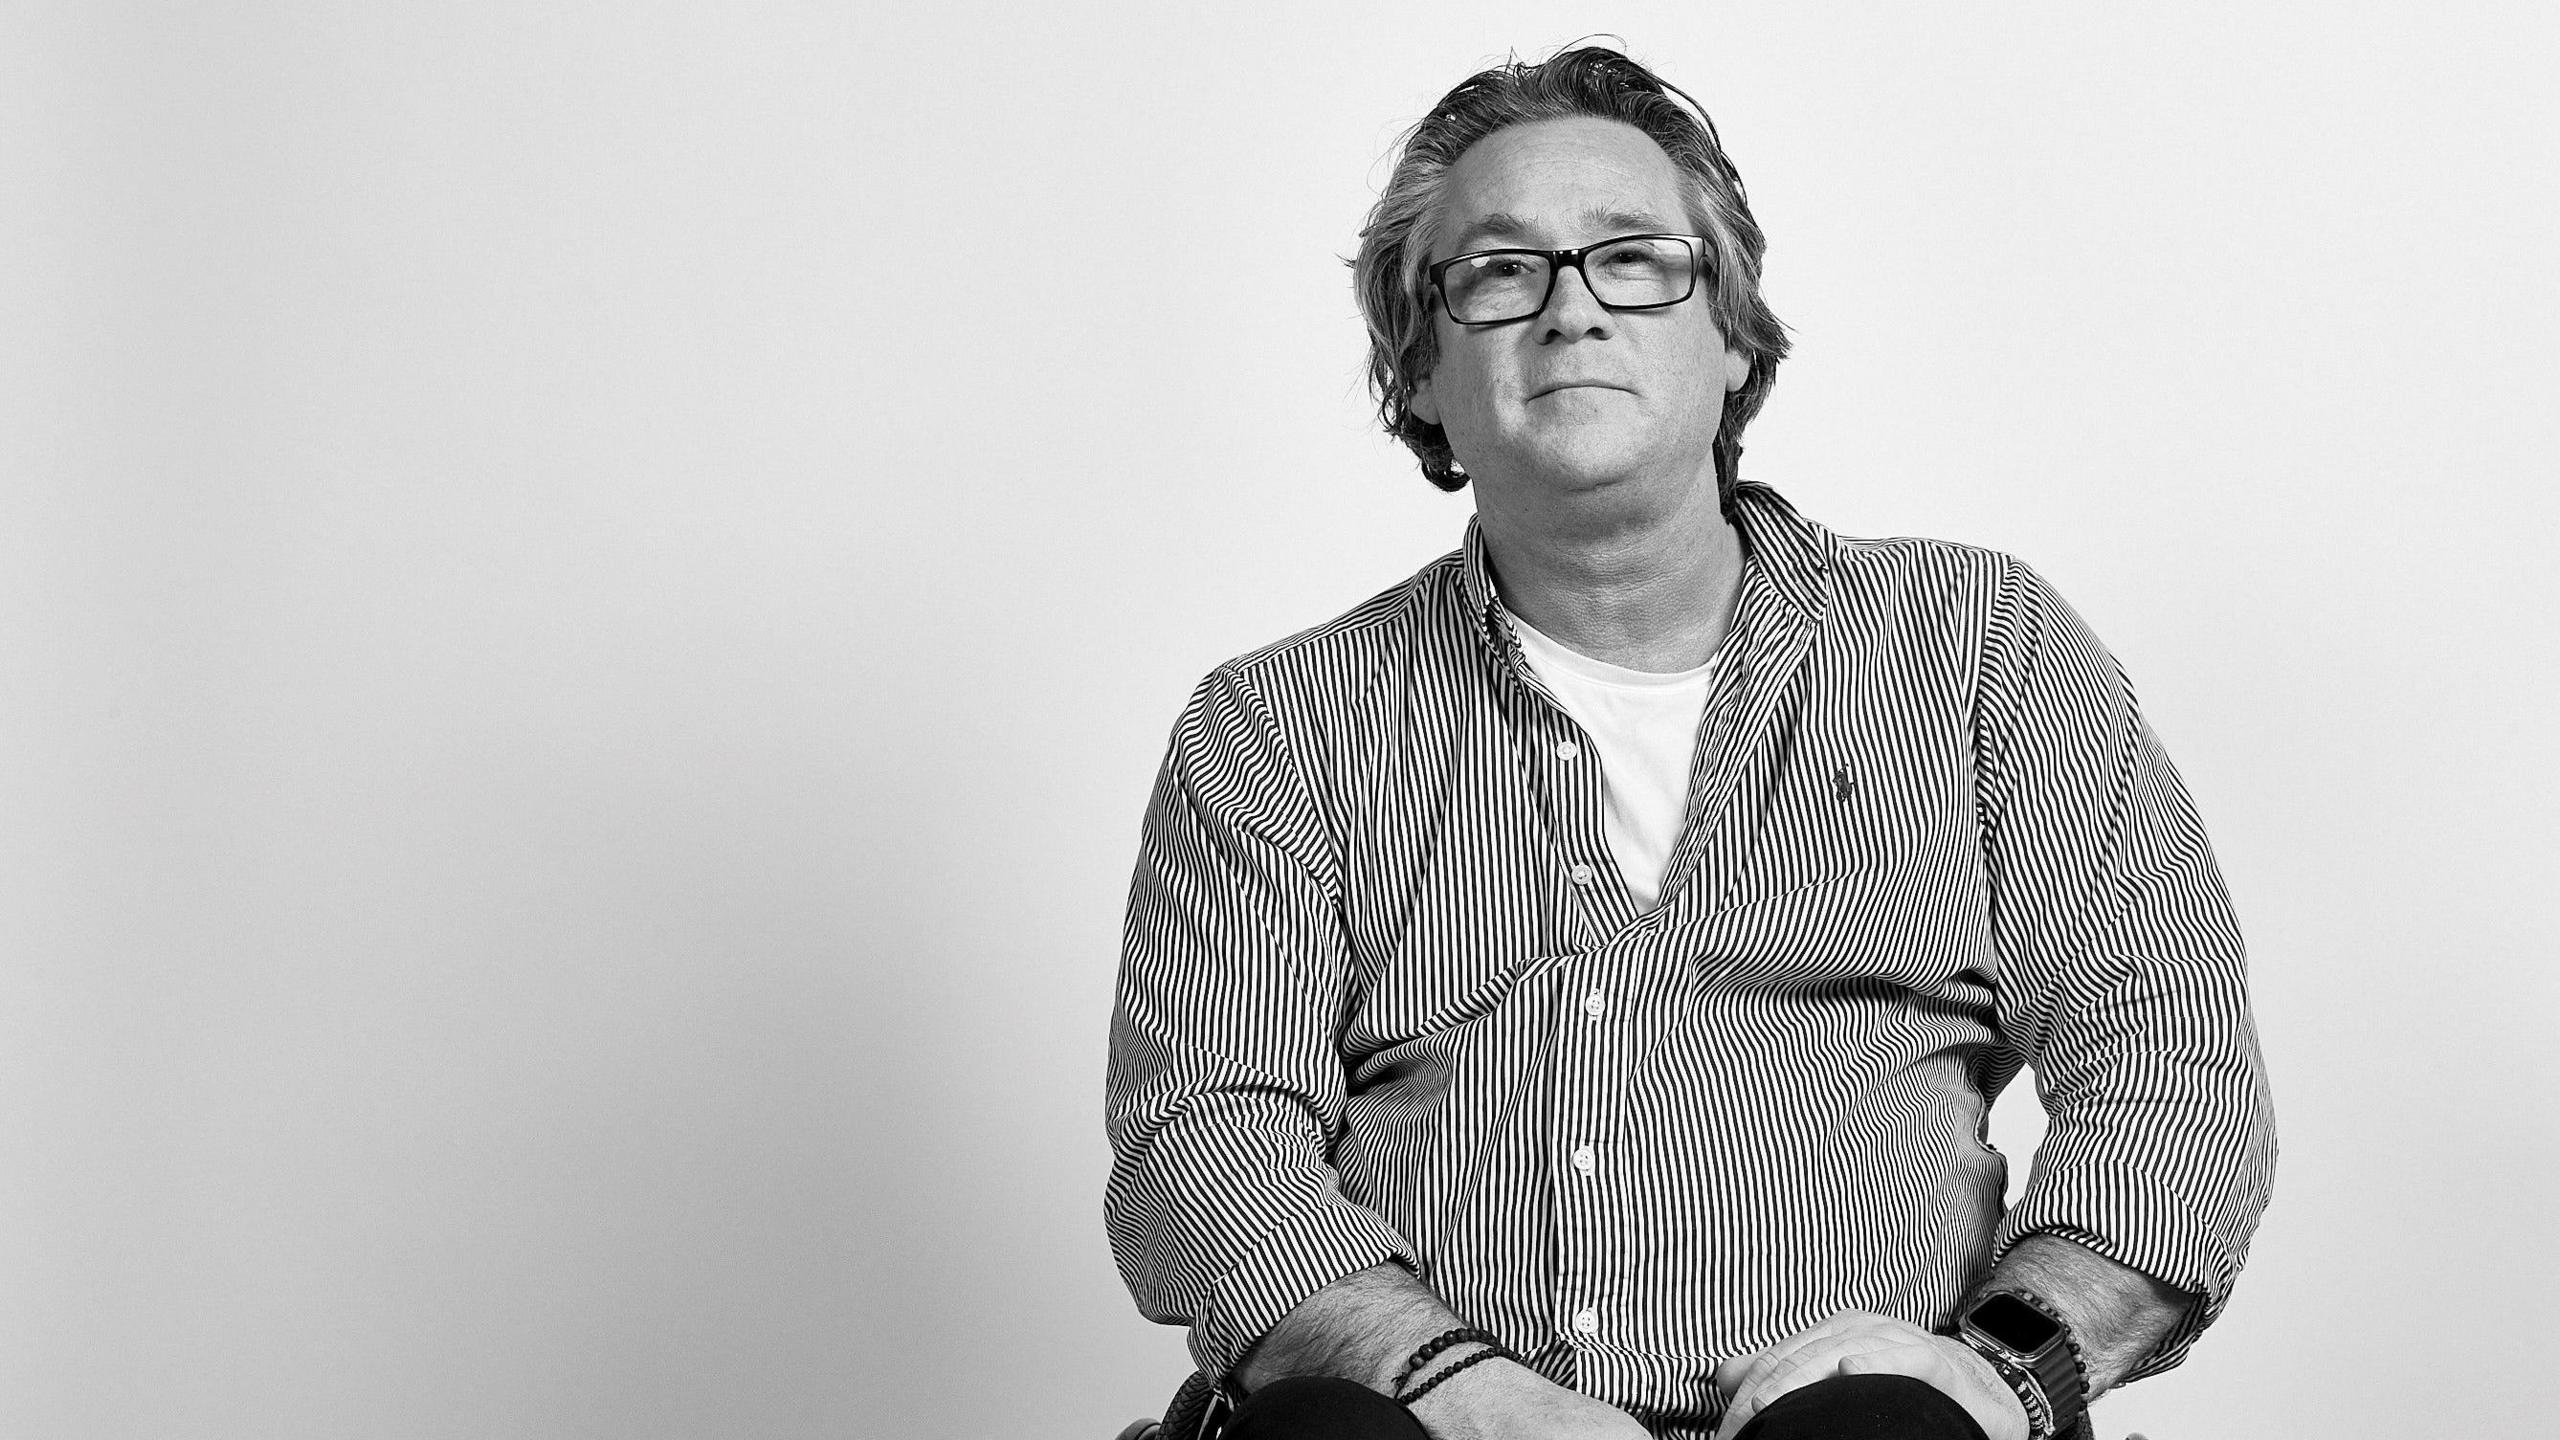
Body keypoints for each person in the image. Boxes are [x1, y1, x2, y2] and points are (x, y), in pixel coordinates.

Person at [1106, 44, 2275, 1440]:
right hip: (1419, 1424)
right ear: (1419, 375)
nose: (1572, 311)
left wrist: (2002, 1366)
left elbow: (2174, 1073)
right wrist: (1454, 1392)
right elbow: (1206, 1135)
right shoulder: (1276, 726)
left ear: (1732, 339)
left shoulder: (1979, 648)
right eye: (1499, 271)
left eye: (1634, 259)